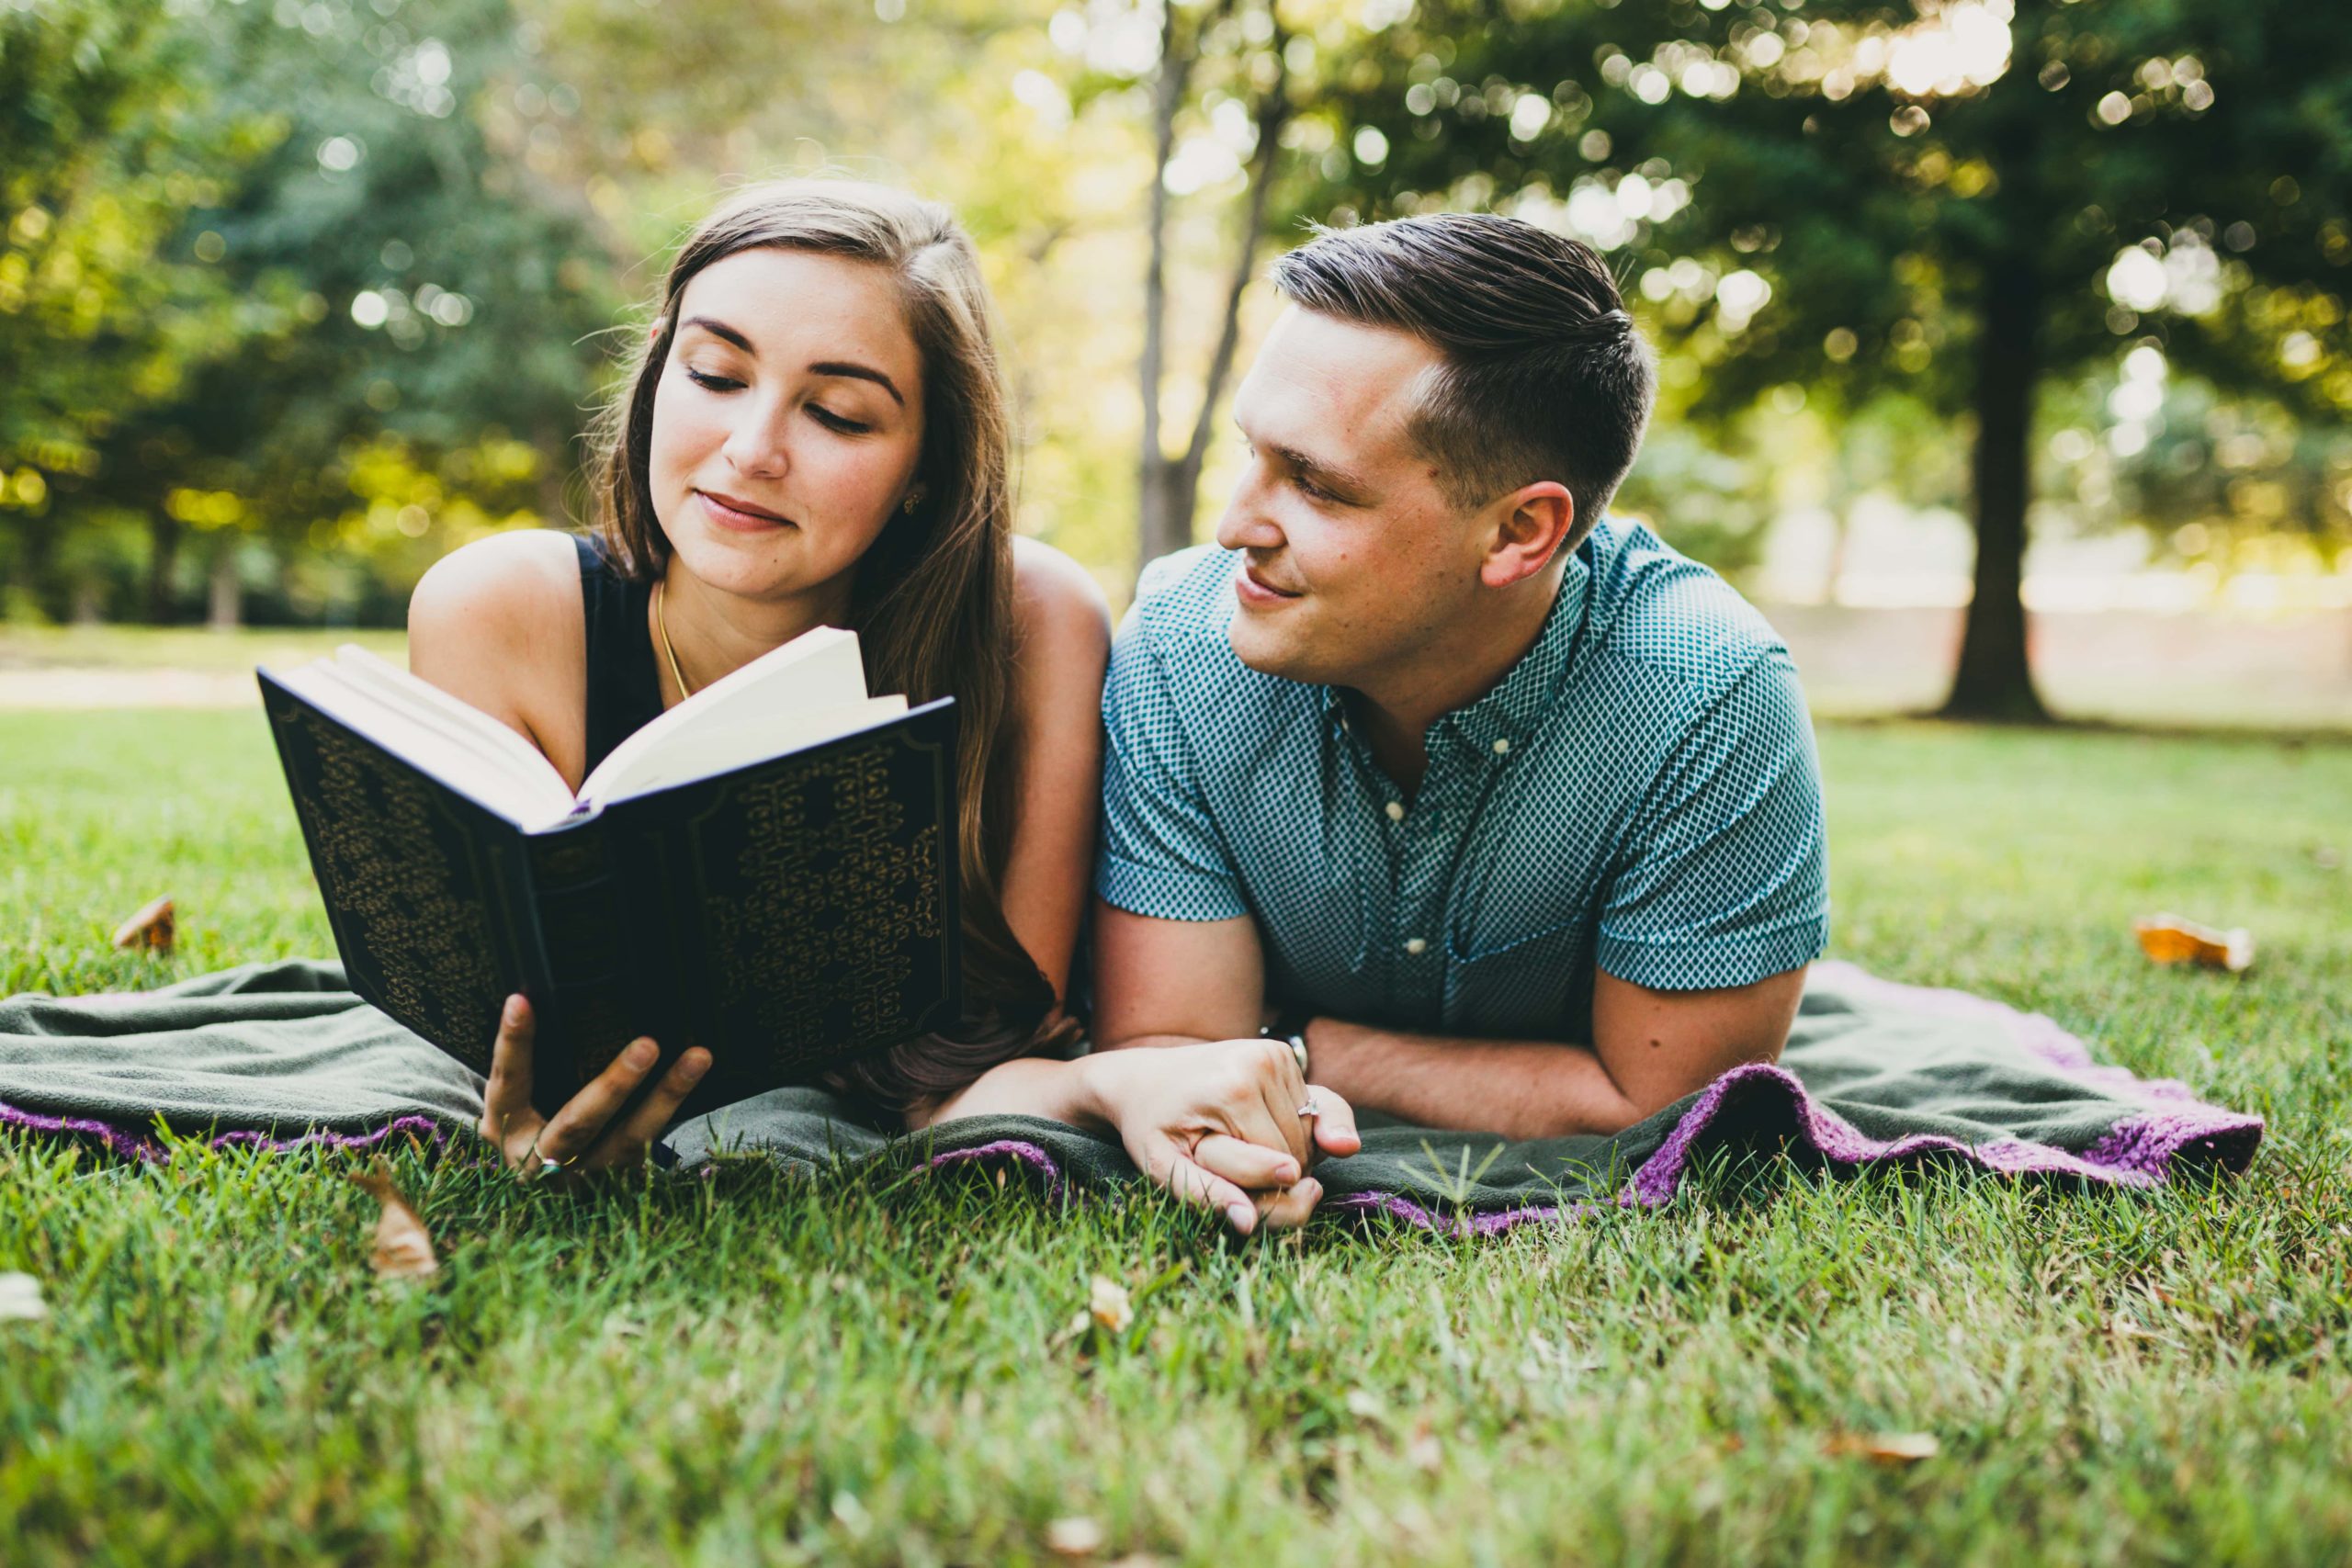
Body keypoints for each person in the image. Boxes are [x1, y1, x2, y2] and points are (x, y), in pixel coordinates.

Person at [408, 179, 1354, 1229]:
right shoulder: (501, 611)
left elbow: (1000, 1050)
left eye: (838, 413)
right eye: (715, 374)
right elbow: (491, 1028)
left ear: (924, 468)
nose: (752, 448)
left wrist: (1110, 1084)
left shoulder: (1031, 621)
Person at [1083, 213, 1830, 1195]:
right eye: (1252, 454)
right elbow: (1179, 1055)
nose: (1231, 527)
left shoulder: (1706, 694)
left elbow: (1666, 1105)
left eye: (1312, 483)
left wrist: (1300, 1049)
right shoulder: (1182, 646)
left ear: (1520, 531)